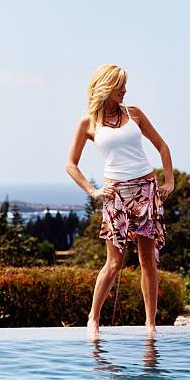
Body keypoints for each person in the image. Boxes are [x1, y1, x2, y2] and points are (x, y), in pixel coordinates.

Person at [66, 64, 174, 339]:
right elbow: (71, 165)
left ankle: (150, 324)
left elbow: (162, 146)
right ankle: (93, 318)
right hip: (115, 195)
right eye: (120, 86)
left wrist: (169, 181)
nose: (125, 90)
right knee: (114, 262)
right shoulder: (87, 123)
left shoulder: (134, 113)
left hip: (146, 189)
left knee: (148, 261)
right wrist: (93, 191)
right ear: (106, 87)